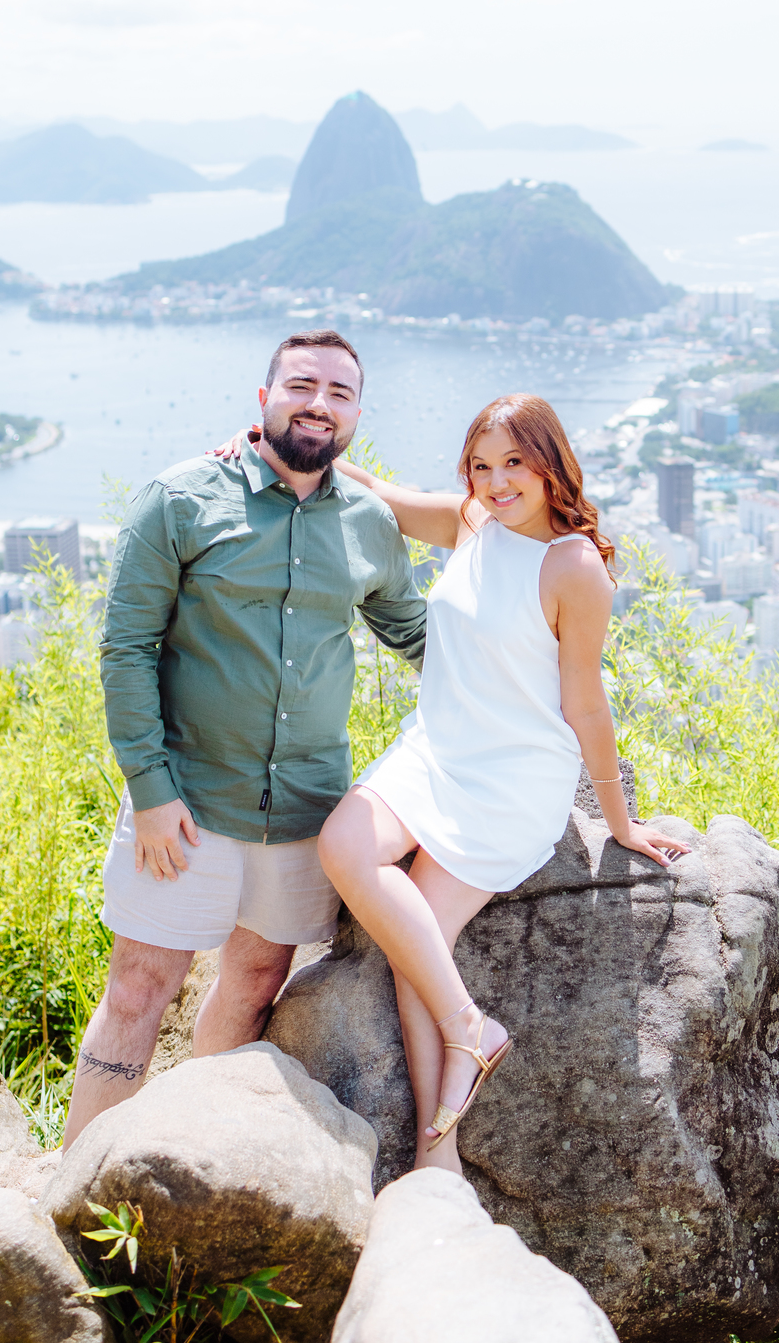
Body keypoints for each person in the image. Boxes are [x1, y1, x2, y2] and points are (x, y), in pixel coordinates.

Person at [224, 392, 689, 1178]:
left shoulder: (574, 565)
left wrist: (620, 822)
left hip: (512, 777)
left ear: (550, 464)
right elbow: (380, 494)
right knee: (346, 845)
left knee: (421, 947)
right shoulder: (472, 521)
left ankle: (435, 1161)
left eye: (514, 463)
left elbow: (586, 702)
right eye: (480, 465)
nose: (496, 482)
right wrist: (272, 449)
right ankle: (470, 1028)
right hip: (434, 751)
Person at [61, 330, 427, 1150]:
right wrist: (150, 793)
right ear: (264, 398)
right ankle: (77, 1183)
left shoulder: (369, 523)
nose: (319, 404)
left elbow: (417, 636)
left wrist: (531, 684)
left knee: (257, 981)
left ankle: (191, 1160)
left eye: (339, 393)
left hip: (303, 808)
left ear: (356, 415)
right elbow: (125, 650)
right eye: (302, 385)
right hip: (185, 802)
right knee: (139, 989)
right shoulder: (181, 498)